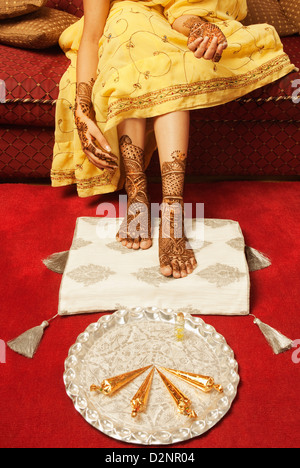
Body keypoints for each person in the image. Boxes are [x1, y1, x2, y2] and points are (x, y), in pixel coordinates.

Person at [51, 0, 295, 279]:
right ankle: (137, 196)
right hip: (124, 30)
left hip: (177, 31)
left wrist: (199, 26)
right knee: (129, 26)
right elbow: (92, 36)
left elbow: (183, 11)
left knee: (165, 60)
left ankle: (172, 212)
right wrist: (82, 113)